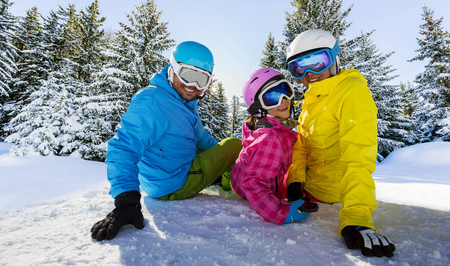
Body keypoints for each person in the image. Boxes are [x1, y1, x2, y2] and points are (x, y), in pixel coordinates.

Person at [91, 41, 242, 241]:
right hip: (174, 182)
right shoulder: (152, 101)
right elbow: (124, 147)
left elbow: (201, 139)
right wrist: (126, 200)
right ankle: (239, 184)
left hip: (169, 172)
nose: (193, 87)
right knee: (235, 145)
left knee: (221, 150)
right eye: (188, 75)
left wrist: (222, 158)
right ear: (173, 69)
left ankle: (227, 176)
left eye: (202, 80)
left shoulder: (183, 102)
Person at [285, 29, 396, 258]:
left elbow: (358, 156)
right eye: (299, 68)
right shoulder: (311, 100)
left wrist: (357, 216)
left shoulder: (351, 91)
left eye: (318, 62)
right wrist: (295, 181)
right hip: (309, 190)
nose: (309, 73)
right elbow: (302, 146)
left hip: (332, 192)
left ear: (335, 59)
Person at [231, 68, 318, 225]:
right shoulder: (270, 139)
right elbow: (253, 184)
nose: (283, 100)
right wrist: (280, 213)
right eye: (272, 98)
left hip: (247, 177)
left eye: (285, 90)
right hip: (245, 189)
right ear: (258, 108)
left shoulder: (278, 131)